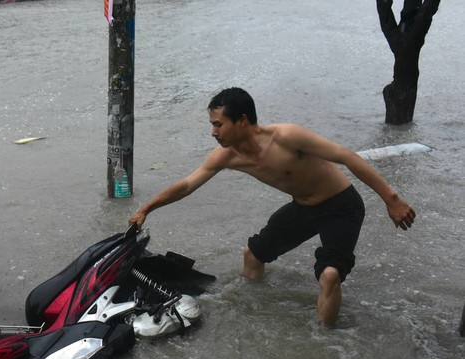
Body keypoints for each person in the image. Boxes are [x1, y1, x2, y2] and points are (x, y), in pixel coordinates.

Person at [128, 87, 416, 326]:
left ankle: (327, 342)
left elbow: (348, 157)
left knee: (329, 275)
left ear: (242, 121)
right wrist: (147, 208)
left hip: (341, 206)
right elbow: (187, 185)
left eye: (218, 124)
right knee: (253, 254)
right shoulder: (227, 156)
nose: (213, 133)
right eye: (212, 125)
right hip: (303, 208)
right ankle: (252, 309)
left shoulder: (287, 137)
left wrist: (391, 199)